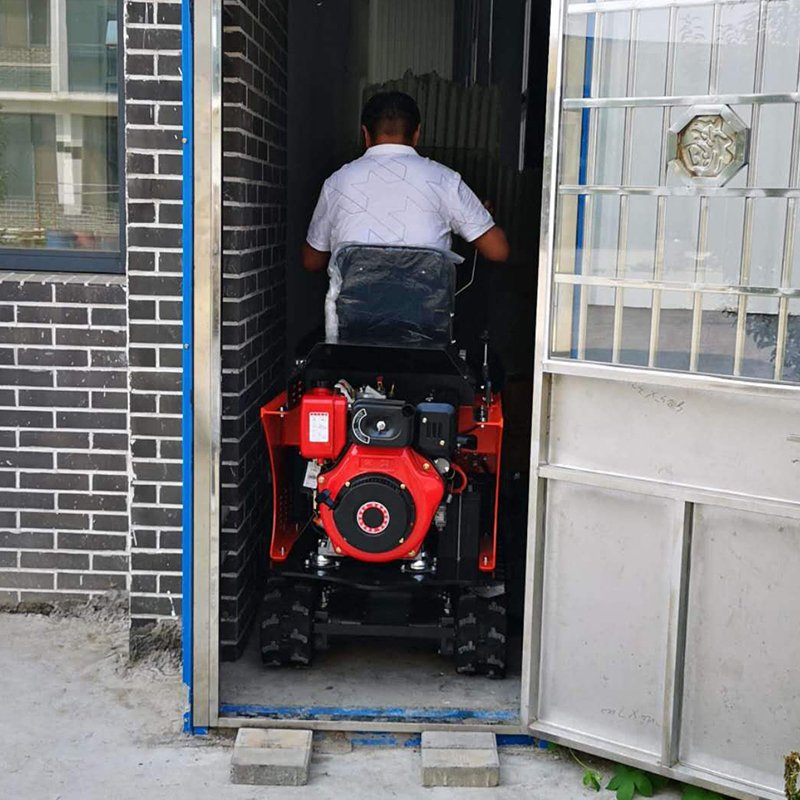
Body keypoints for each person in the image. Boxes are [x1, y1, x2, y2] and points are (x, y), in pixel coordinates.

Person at [302, 91, 510, 272]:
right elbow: (498, 251)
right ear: (417, 133)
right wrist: (479, 216)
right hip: (425, 307)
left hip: (355, 307)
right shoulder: (445, 180)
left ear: (365, 134)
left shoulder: (338, 182)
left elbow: (312, 261)